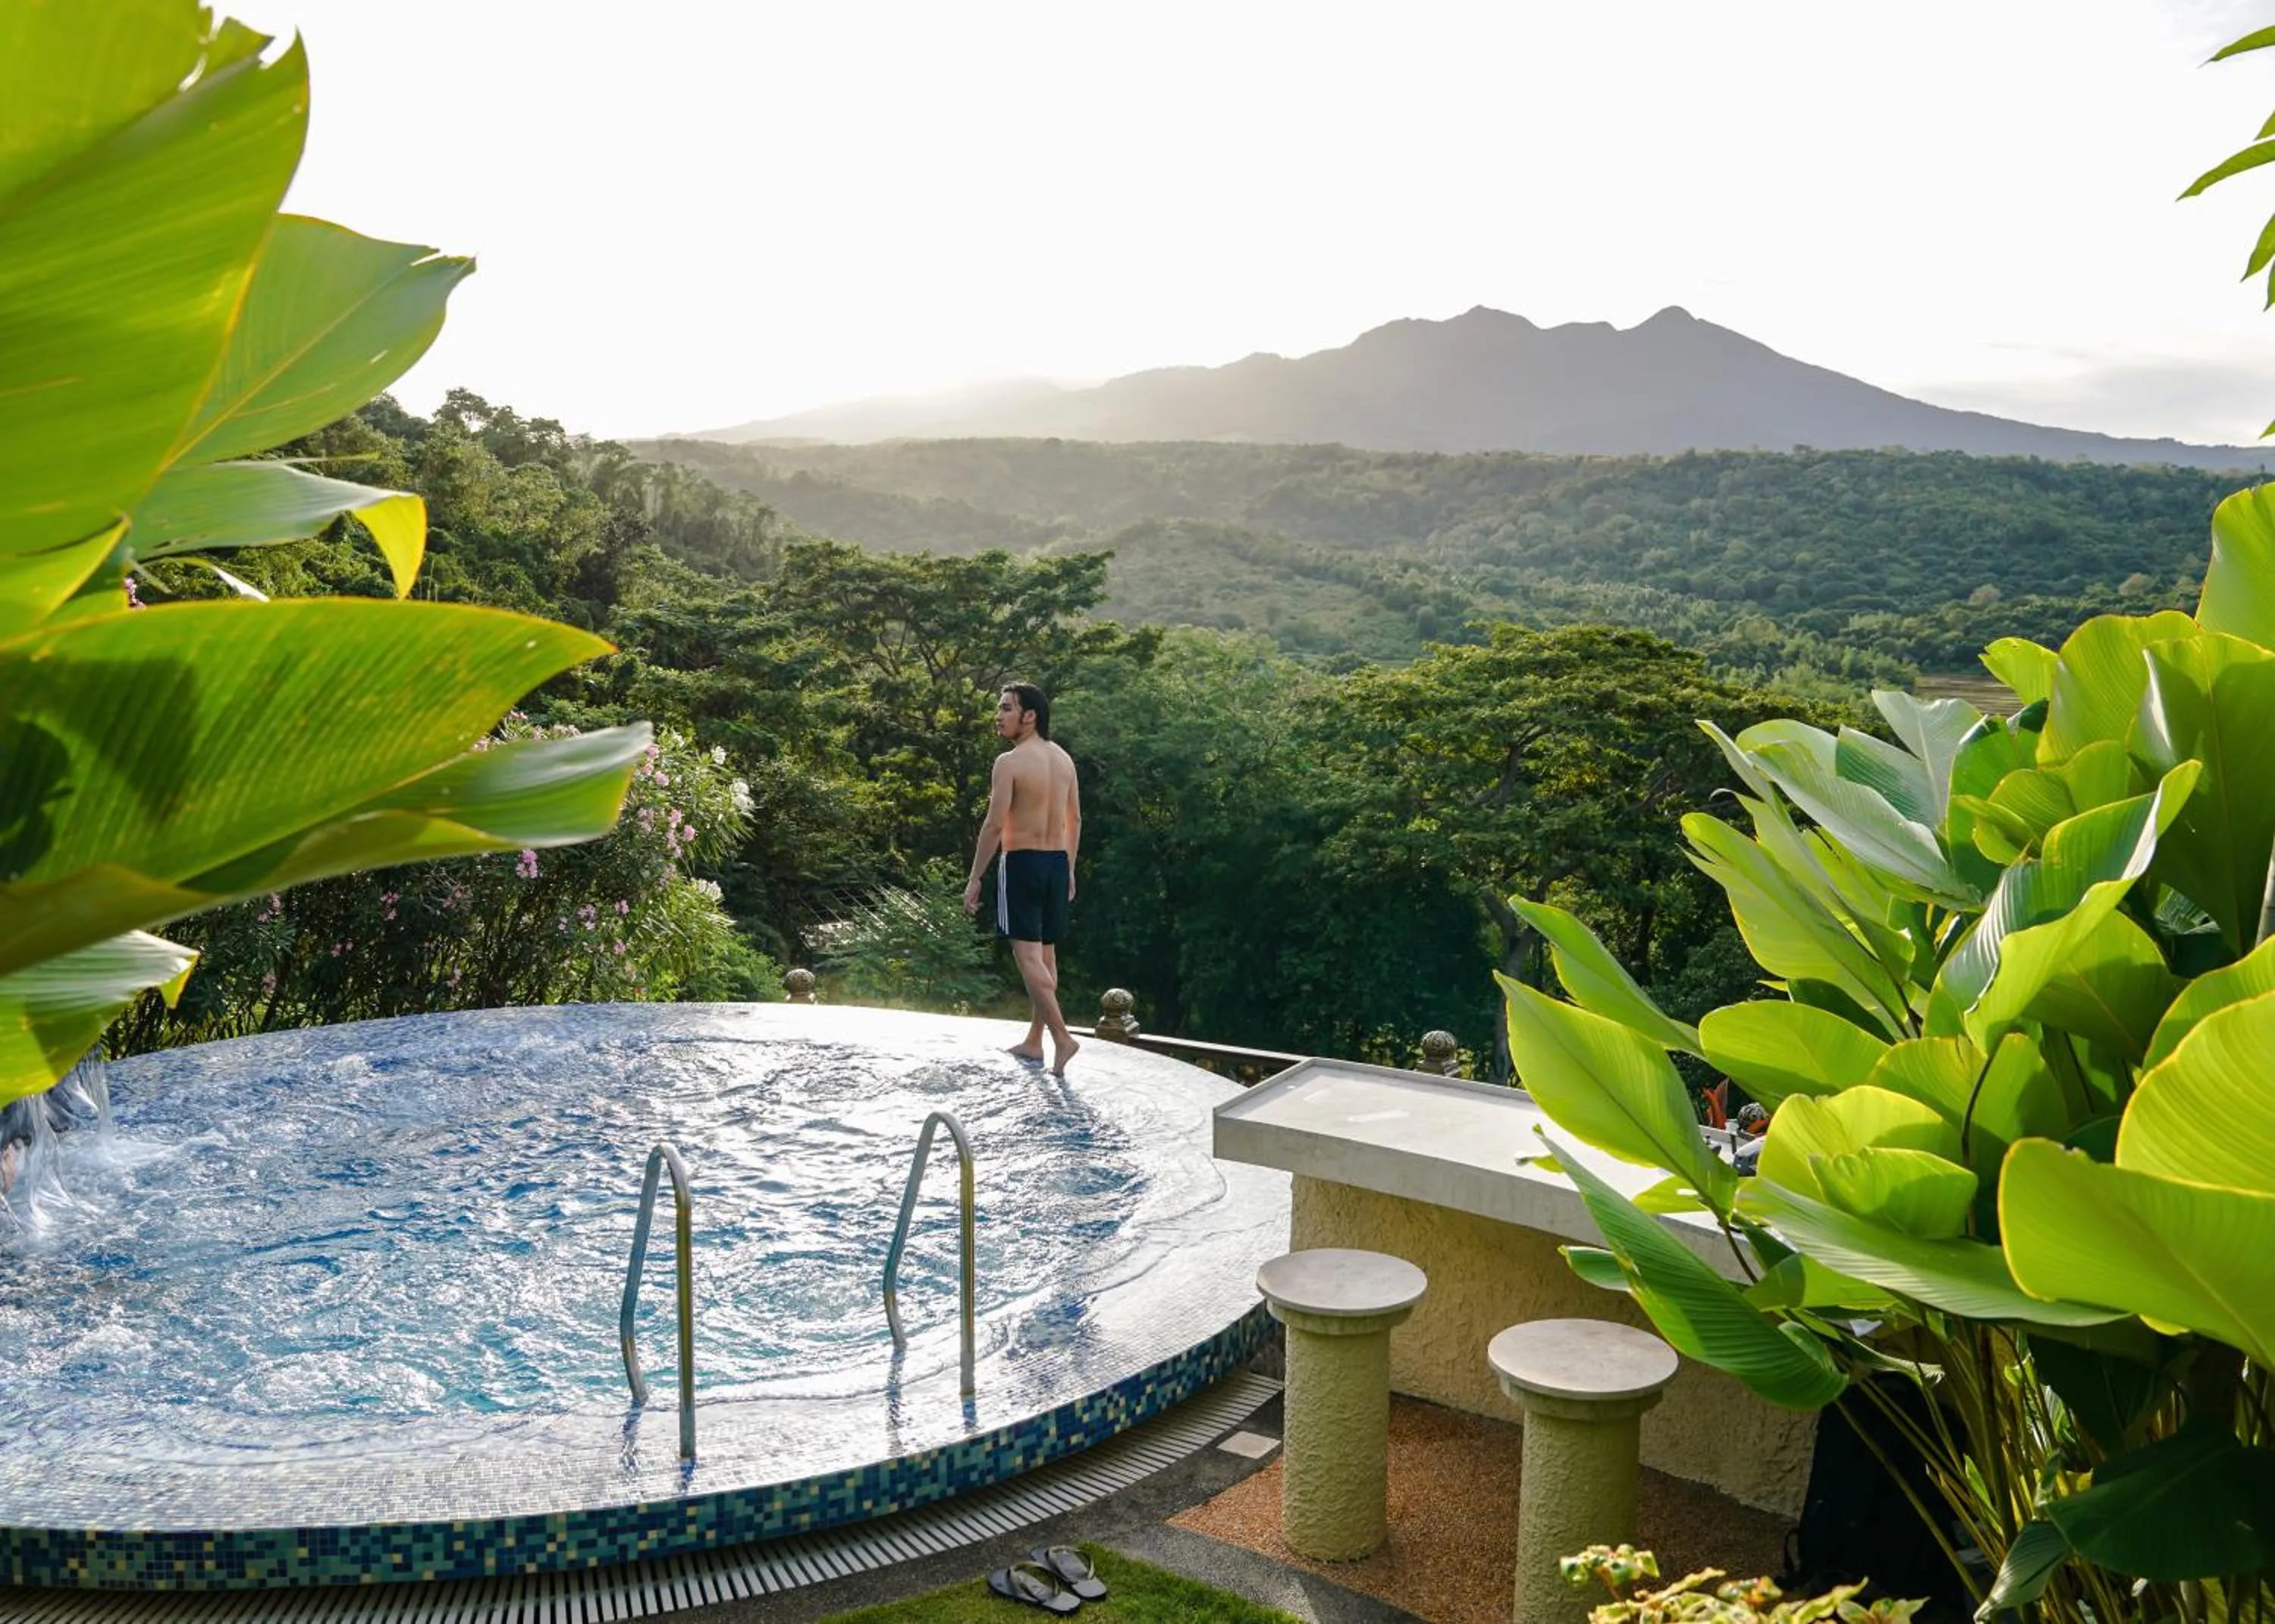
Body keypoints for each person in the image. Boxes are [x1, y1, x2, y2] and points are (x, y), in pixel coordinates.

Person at [963, 682, 1082, 1075]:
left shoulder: (1009, 762)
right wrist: (1070, 868)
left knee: (1028, 957)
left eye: (1006, 708)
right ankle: (1035, 1042)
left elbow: (995, 823)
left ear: (1029, 715)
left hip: (1021, 864)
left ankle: (1062, 1039)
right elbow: (1075, 820)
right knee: (1046, 955)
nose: (998, 716)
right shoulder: (1064, 760)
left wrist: (976, 876)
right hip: (1055, 863)